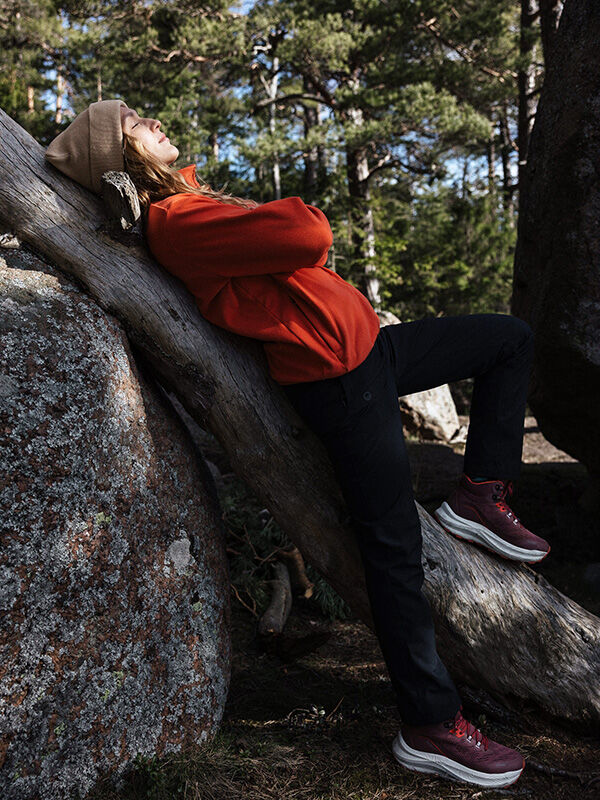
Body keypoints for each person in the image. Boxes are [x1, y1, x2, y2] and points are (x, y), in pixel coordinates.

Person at [45, 99, 551, 789]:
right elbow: (310, 232)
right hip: (341, 382)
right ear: (121, 156)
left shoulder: (196, 204)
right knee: (393, 547)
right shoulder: (180, 220)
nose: (153, 119)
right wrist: (286, 211)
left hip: (371, 352)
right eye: (134, 121)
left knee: (508, 340)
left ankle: (481, 494)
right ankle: (432, 725)